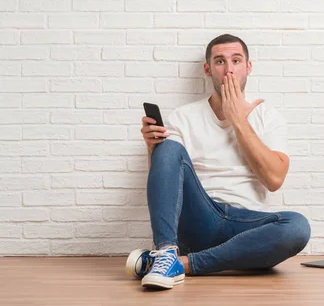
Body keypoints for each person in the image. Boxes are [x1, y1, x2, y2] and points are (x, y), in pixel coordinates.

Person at [124, 34, 311, 290]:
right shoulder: (183, 117)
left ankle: (181, 264)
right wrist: (152, 149)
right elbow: (167, 183)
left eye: (236, 60)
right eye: (220, 61)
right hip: (199, 216)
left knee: (297, 227)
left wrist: (239, 121)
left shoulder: (269, 117)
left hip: (244, 227)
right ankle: (166, 251)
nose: (229, 69)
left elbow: (275, 179)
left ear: (249, 67)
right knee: (167, 147)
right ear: (208, 69)